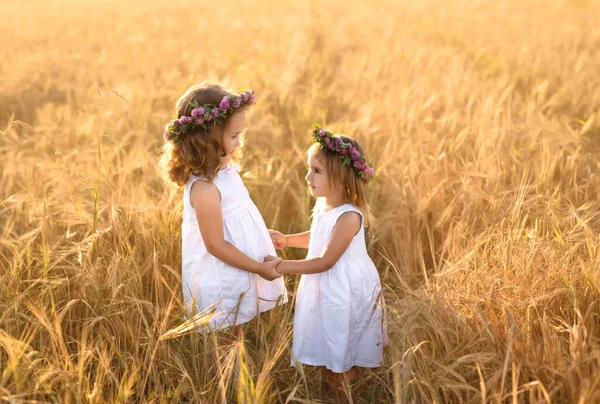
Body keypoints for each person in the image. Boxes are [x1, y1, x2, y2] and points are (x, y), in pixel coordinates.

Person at [268, 125, 387, 398]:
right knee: (328, 343)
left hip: (343, 289)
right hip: (325, 286)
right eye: (309, 168)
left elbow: (325, 260)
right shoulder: (325, 206)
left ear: (341, 177)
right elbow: (317, 237)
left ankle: (345, 392)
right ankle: (335, 390)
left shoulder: (349, 217)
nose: (308, 175)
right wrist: (286, 240)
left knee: (341, 345)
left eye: (317, 171)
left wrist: (282, 266)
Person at [159, 82, 287, 333]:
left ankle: (238, 373)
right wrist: (260, 267)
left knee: (236, 333)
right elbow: (215, 245)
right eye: (233, 136)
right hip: (219, 277)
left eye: (240, 135)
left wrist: (257, 234)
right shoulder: (204, 189)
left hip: (238, 265)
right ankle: (227, 374)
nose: (239, 143)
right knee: (225, 339)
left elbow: (235, 217)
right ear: (205, 141)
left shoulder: (225, 171)